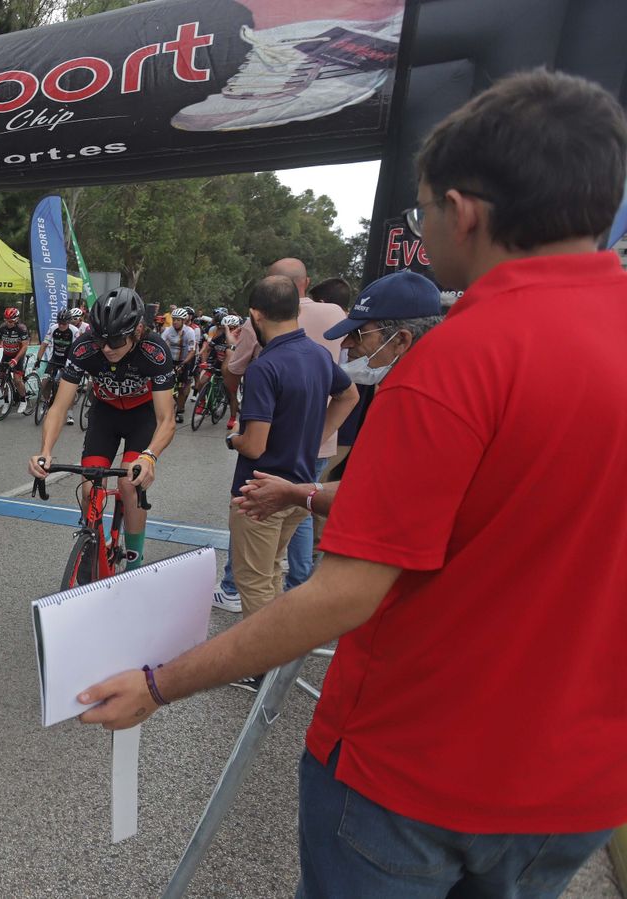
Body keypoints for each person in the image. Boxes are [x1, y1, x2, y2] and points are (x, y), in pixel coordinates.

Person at [79, 69, 627, 899]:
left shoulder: (461, 361)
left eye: (424, 211)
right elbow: (503, 513)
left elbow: (347, 593)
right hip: (578, 788)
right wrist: (308, 493)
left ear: (466, 211)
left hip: (412, 775)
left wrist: (159, 683)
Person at [223, 275, 357, 689]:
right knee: (274, 570)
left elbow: (255, 445)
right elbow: (348, 396)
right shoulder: (317, 354)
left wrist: (234, 438)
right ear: (297, 311)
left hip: (259, 490)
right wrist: (316, 436)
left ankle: (265, 664)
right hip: (301, 486)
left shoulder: (265, 367)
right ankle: (275, 652)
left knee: (252, 579)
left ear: (255, 315)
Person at [233, 270, 445, 522]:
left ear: (400, 340)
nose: (345, 345)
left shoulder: (432, 406)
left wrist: (298, 494)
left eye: (357, 335)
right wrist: (300, 488)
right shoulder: (399, 394)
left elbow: (385, 497)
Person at [28, 287, 175, 567]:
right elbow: (59, 407)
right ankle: (96, 545)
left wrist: (150, 456)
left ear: (137, 332)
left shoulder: (154, 351)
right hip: (105, 414)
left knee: (129, 483)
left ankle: (133, 562)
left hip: (142, 418)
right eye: (101, 340)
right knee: (88, 488)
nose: (106, 349)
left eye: (116, 341)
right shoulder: (84, 347)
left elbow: (166, 419)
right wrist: (45, 451)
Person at [0, 307, 31, 415]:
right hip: (6, 355)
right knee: (2, 380)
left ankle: (23, 400)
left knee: (17, 380)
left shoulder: (21, 328)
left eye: (11, 321)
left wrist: (16, 359)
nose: (8, 323)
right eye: (6, 320)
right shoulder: (2, 327)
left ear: (16, 319)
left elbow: (25, 346)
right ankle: (6, 402)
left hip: (18, 355)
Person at [162, 307, 200, 421]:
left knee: (183, 388)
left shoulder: (190, 332)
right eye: (174, 319)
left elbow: (192, 350)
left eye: (178, 320)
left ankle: (180, 411)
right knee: (167, 385)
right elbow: (161, 345)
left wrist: (183, 364)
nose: (175, 322)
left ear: (184, 321)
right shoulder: (168, 330)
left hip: (185, 360)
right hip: (171, 360)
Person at [41, 309, 78, 425]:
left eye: (64, 323)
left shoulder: (74, 331)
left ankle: (70, 414)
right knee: (45, 383)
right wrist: (38, 359)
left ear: (68, 322)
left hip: (68, 360)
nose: (61, 326)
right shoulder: (53, 328)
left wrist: (70, 364)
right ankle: (46, 402)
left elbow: (76, 350)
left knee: (69, 388)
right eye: (59, 323)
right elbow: (44, 344)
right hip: (55, 358)